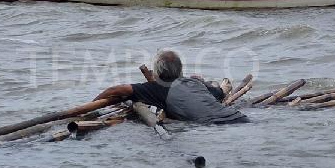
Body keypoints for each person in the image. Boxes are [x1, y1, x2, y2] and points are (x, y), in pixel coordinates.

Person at [94, 50, 248, 124]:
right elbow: (220, 93)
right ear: (180, 69)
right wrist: (205, 82)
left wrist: (94, 105)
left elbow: (115, 90)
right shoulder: (194, 83)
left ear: (158, 72)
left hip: (213, 126)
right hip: (239, 118)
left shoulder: (156, 88)